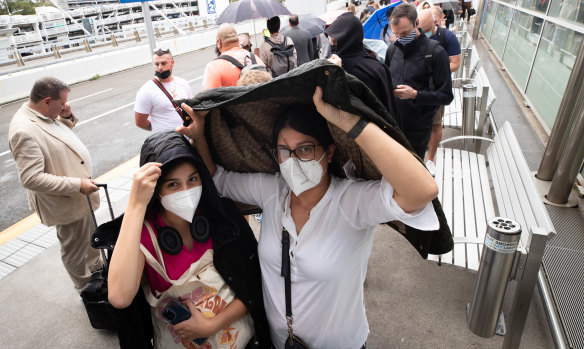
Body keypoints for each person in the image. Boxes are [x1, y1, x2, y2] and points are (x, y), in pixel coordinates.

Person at [178, 85, 439, 349]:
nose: (292, 161)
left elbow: (422, 191)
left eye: (304, 149)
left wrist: (348, 120)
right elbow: (217, 178)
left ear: (330, 152)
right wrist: (199, 137)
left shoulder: (351, 202)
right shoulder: (272, 191)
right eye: (284, 151)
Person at [108, 131, 272, 348]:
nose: (186, 191)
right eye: (173, 185)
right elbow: (120, 297)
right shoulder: (143, 234)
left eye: (192, 179)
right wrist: (136, 204)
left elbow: (254, 286)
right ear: (156, 191)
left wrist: (212, 325)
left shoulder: (220, 218)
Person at [8, 77, 101, 292]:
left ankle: (97, 269)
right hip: (66, 200)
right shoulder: (23, 130)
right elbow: (31, 178)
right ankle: (85, 287)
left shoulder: (43, 114)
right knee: (74, 249)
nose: (64, 107)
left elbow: (58, 138)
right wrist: (78, 185)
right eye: (61, 103)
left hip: (80, 194)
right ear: (47, 100)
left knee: (90, 237)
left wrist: (66, 117)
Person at [384, 3, 453, 159]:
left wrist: (415, 95)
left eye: (405, 33)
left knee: (413, 174)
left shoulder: (435, 52)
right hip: (393, 125)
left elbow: (446, 96)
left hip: (418, 129)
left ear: (416, 23)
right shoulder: (392, 50)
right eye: (396, 34)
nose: (401, 38)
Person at [326, 12, 401, 125]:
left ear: (348, 39)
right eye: (332, 39)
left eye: (336, 40)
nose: (332, 43)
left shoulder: (373, 70)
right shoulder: (331, 66)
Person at [419, 7, 462, 175]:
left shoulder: (447, 37)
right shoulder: (416, 35)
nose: (424, 34)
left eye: (427, 31)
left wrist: (436, 69)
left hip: (437, 89)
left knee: (435, 124)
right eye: (421, 30)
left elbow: (456, 63)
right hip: (418, 87)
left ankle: (430, 158)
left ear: (435, 23)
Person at [135, 49, 193, 133]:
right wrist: (159, 130)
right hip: (166, 143)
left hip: (188, 138)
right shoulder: (146, 90)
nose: (160, 68)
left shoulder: (183, 83)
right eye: (156, 64)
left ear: (172, 63)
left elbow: (190, 109)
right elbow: (140, 122)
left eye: (163, 63)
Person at [202, 24, 265, 90]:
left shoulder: (214, 67)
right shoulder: (256, 59)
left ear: (219, 43)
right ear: (238, 40)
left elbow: (207, 97)